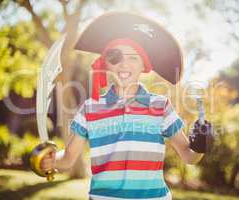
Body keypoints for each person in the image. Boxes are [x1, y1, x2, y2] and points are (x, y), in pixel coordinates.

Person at [40, 12, 214, 200]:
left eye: (133, 58)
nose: (124, 64)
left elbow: (188, 156)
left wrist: (199, 146)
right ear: (106, 64)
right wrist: (51, 160)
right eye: (116, 57)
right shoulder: (90, 109)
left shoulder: (160, 106)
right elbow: (68, 158)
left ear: (143, 66)